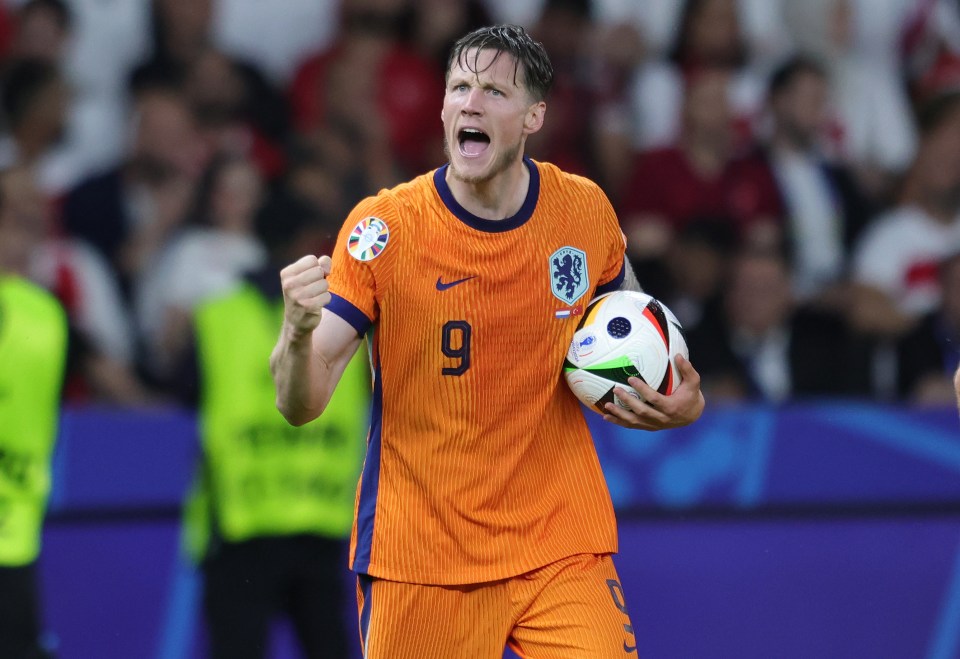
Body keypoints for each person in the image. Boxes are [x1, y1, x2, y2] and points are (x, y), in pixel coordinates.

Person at [271, 24, 704, 658]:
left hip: (559, 545)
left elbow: (642, 339)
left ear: (534, 116)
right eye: (459, 87)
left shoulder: (582, 212)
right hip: (422, 558)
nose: (471, 103)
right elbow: (298, 404)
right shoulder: (384, 228)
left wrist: (681, 403)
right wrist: (297, 329)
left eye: (494, 91)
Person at [179, 192, 369, 659]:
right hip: (313, 527)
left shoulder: (213, 317)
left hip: (242, 528)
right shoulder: (350, 323)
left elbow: (177, 394)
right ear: (306, 244)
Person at [0, 173, 67, 658]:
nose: (27, 242)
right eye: (17, 224)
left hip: (14, 532)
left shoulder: (45, 312)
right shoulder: (43, 312)